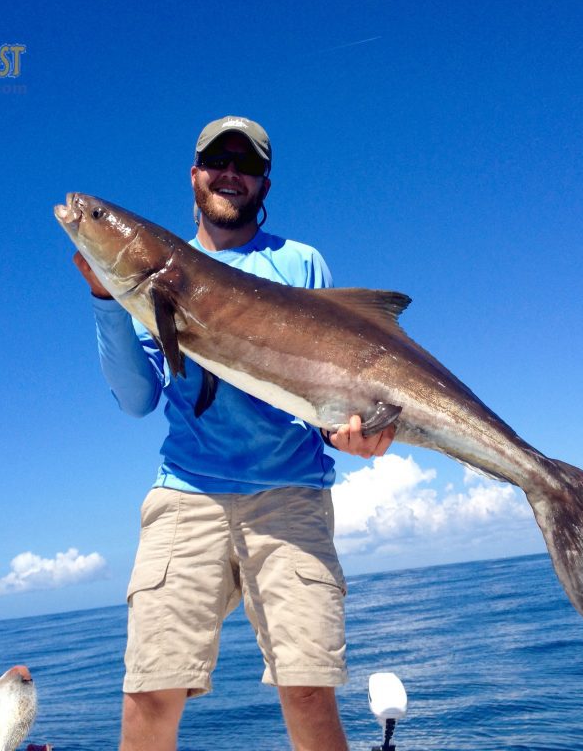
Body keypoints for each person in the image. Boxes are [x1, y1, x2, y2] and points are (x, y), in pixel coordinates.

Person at [73, 115, 395, 751]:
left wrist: (350, 436)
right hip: (187, 492)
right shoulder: (151, 280)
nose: (230, 173)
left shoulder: (300, 263)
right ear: (194, 176)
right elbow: (137, 400)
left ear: (263, 182)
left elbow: (328, 390)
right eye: (217, 160)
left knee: (307, 687)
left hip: (290, 495)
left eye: (245, 165)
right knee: (150, 690)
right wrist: (107, 298)